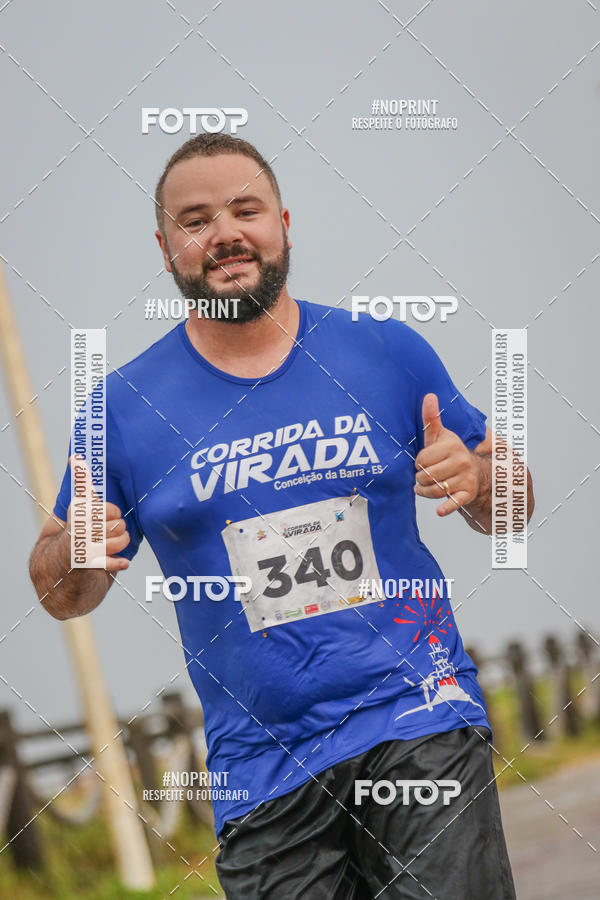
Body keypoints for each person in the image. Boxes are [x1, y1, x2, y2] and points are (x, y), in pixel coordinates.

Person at [29, 133, 533, 898]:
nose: (225, 232)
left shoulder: (385, 350)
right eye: (196, 220)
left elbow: (513, 503)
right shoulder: (120, 411)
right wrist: (77, 554)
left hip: (417, 711)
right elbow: (59, 590)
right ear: (166, 248)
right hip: (263, 767)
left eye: (245, 208)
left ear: (284, 223)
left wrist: (481, 477)